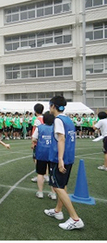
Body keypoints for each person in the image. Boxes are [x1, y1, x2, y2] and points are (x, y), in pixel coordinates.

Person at [44, 95, 84, 230]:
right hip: (69, 157)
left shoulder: (59, 120)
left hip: (59, 158)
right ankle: (57, 211)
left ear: (53, 106)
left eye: (50, 105)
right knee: (62, 185)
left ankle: (75, 218)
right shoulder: (68, 120)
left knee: (57, 187)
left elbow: (61, 139)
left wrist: (60, 159)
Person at [31, 111, 56, 199]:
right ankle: (53, 193)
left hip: (41, 153)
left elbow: (34, 139)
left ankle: (40, 192)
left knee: (40, 173)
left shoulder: (40, 127)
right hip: (53, 153)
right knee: (52, 174)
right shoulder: (56, 128)